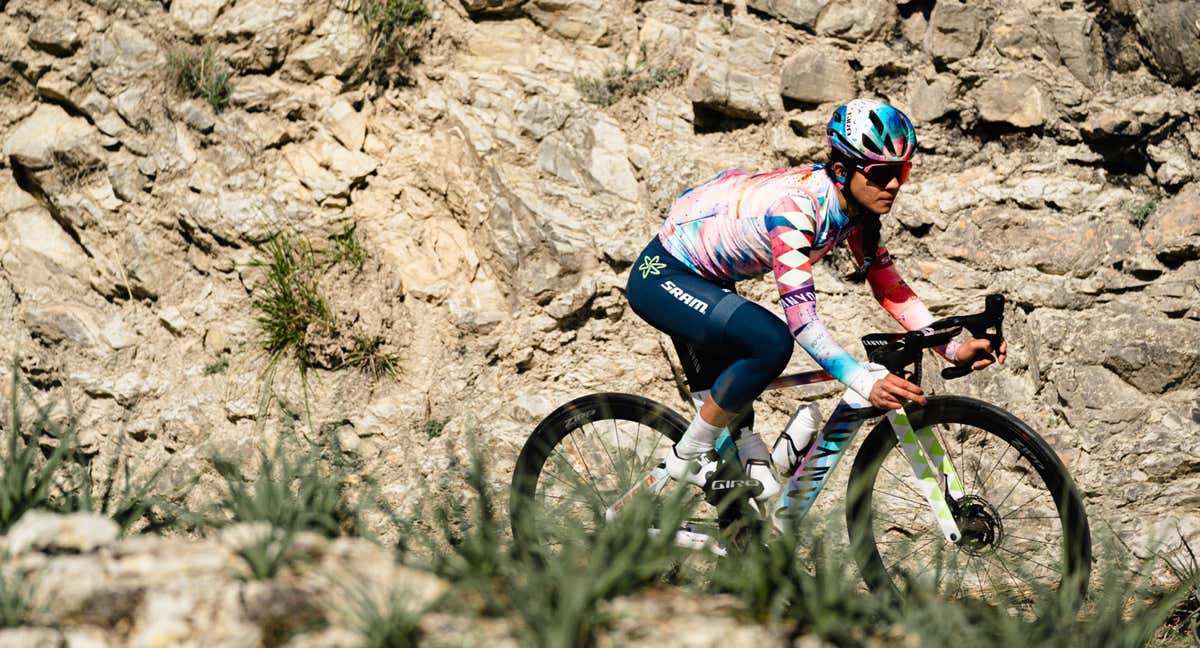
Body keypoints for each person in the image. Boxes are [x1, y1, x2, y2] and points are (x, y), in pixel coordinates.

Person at [624, 98, 1006, 500]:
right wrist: (861, 381)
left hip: (712, 279)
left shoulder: (856, 212)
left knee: (756, 473)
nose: (893, 184)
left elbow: (891, 289)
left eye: (902, 171)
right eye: (881, 174)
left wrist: (952, 348)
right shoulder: (797, 210)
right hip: (664, 275)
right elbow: (802, 322)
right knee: (769, 341)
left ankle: (744, 515)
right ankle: (688, 455)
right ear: (842, 171)